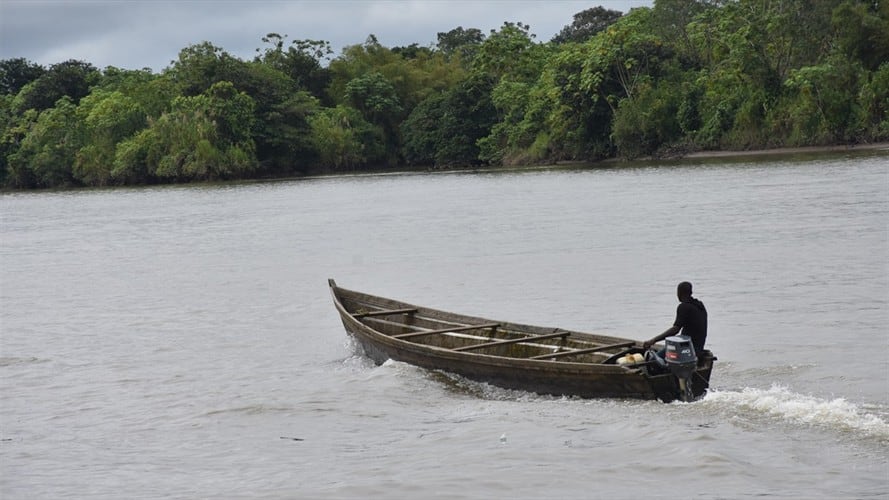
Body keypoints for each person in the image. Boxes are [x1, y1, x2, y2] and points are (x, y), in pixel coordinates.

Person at [643, 281, 707, 355]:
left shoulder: (684, 307)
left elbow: (675, 330)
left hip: (687, 348)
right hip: (698, 348)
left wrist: (653, 340)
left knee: (654, 358)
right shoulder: (700, 305)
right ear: (691, 292)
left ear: (679, 293)